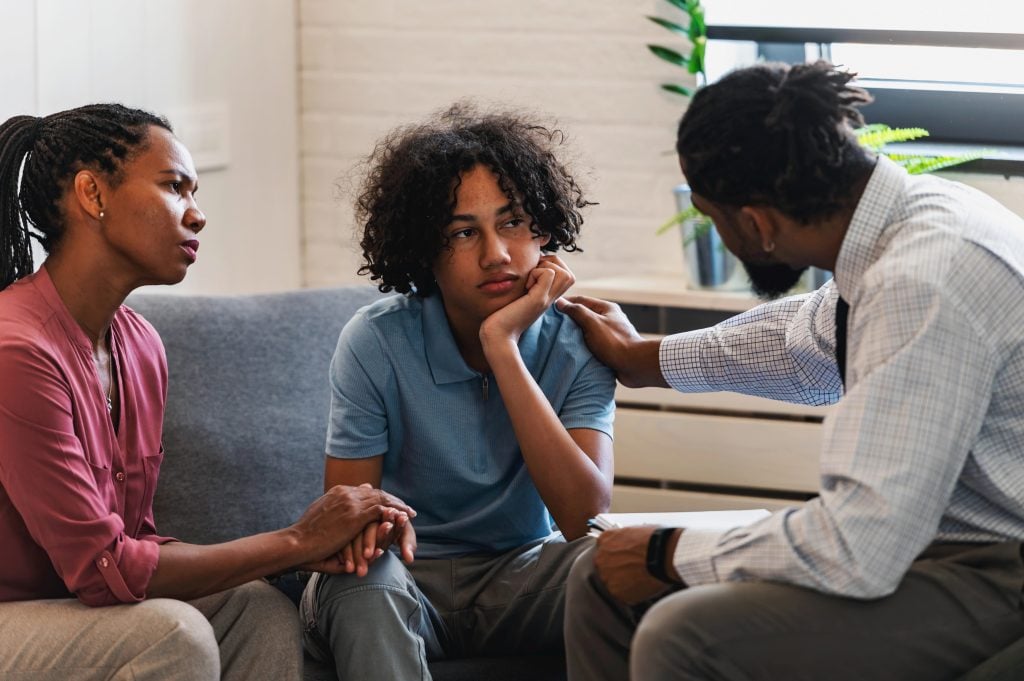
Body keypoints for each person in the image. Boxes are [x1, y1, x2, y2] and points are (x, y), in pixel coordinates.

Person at [558, 60, 1024, 680]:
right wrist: (645, 357)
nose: (720, 233)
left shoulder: (921, 278)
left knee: (682, 636)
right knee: (602, 578)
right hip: (929, 544)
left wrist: (671, 551)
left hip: (994, 568)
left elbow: (860, 545)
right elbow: (803, 342)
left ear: (756, 222)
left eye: (712, 216)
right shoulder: (906, 222)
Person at [0, 104, 414, 681]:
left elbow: (134, 542)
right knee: (175, 633)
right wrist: (296, 541)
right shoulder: (16, 351)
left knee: (257, 610)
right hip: (11, 620)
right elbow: (103, 570)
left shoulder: (141, 346)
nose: (197, 216)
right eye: (175, 188)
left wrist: (294, 554)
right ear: (92, 194)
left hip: (71, 613)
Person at [299, 103, 616, 680]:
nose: (496, 253)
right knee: (364, 581)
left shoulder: (579, 344)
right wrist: (379, 539)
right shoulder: (375, 340)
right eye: (463, 232)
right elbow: (351, 525)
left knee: (620, 563)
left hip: (522, 576)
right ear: (425, 250)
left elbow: (583, 516)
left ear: (543, 229)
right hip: (401, 577)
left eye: (513, 222)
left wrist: (503, 345)